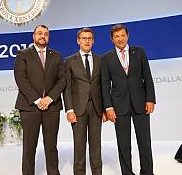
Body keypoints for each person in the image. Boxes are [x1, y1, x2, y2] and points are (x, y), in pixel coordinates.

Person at [101, 24, 156, 175]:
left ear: (127, 36)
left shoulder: (139, 52)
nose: (120, 39)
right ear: (112, 39)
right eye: (116, 36)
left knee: (145, 142)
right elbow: (105, 85)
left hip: (141, 103)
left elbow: (148, 78)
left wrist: (150, 99)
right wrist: (108, 107)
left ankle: (147, 172)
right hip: (119, 106)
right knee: (123, 144)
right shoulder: (106, 58)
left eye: (122, 35)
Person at [14, 25, 66, 175]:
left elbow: (62, 79)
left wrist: (50, 98)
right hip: (29, 107)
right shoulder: (23, 54)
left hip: (52, 107)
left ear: (49, 37)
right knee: (29, 146)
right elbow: (20, 79)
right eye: (40, 33)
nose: (43, 36)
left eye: (46, 34)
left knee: (51, 146)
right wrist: (37, 100)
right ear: (34, 36)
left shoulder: (56, 55)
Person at [63, 28, 107, 175]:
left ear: (93, 41)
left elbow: (104, 86)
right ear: (78, 41)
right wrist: (69, 109)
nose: (87, 41)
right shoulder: (69, 61)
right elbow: (67, 88)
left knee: (96, 146)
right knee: (79, 146)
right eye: (83, 38)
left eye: (89, 38)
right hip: (78, 110)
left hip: (96, 109)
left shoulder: (101, 60)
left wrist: (105, 109)